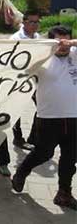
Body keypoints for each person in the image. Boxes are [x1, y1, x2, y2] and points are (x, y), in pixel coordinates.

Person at [12, 27, 77, 210]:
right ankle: (22, 172)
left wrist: (71, 43)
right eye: (58, 42)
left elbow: (71, 46)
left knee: (70, 158)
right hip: (49, 117)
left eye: (66, 41)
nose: (63, 46)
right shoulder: (42, 60)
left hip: (74, 117)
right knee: (44, 153)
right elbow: (20, 64)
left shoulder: (74, 53)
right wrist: (45, 49)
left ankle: (64, 193)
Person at [11, 11, 42, 150]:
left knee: (41, 108)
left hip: (35, 79)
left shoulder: (38, 37)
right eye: (32, 22)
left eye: (37, 22)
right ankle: (18, 138)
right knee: (16, 109)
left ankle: (34, 138)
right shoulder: (16, 39)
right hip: (19, 79)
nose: (35, 25)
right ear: (24, 22)